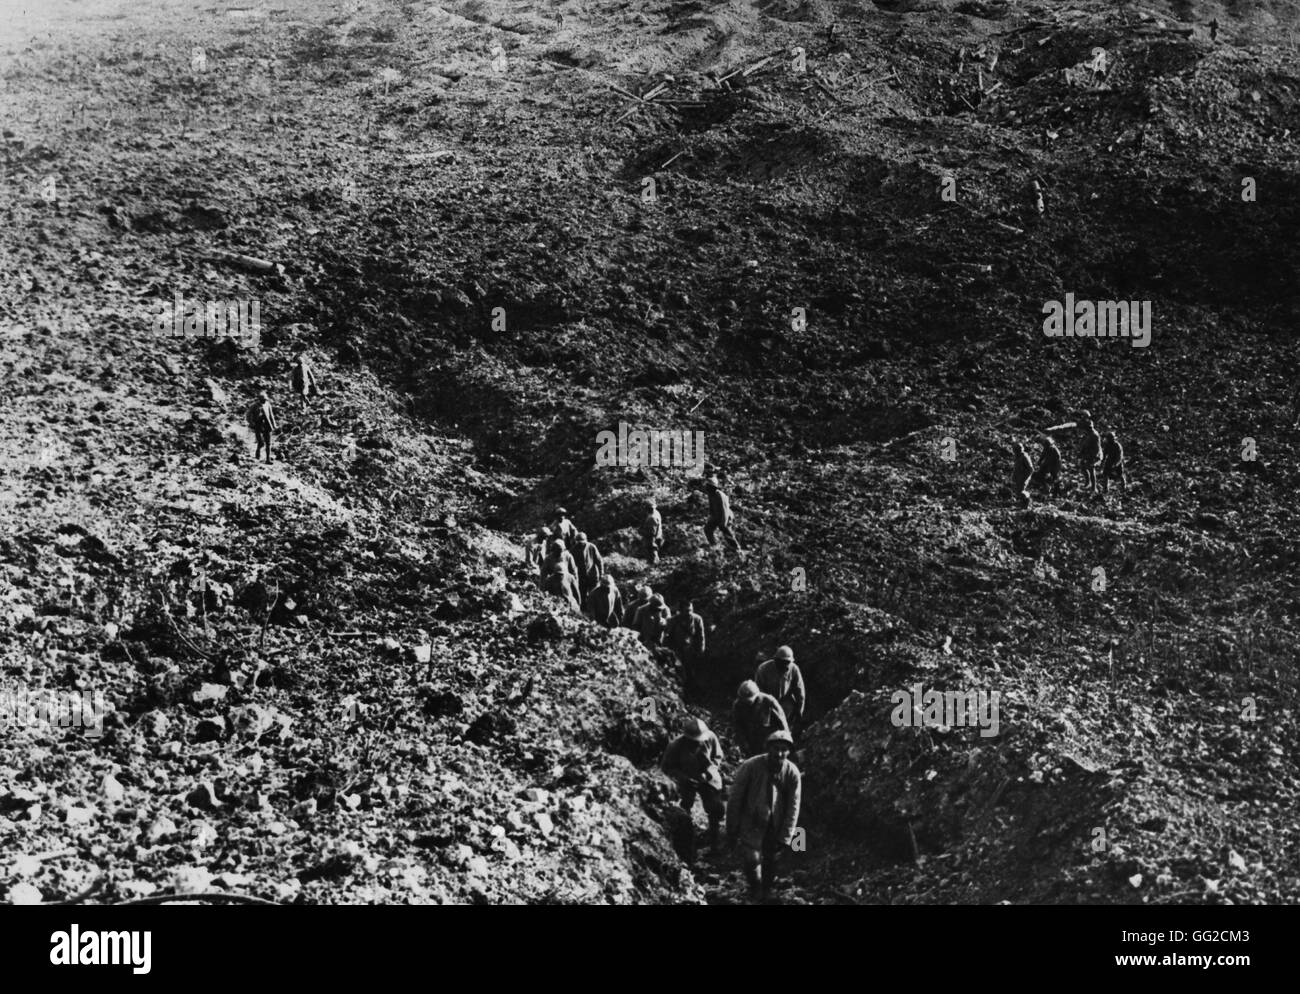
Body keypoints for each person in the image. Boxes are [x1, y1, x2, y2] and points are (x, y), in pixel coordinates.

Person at [726, 730, 801, 899]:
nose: (779, 753)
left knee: (771, 860)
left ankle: (766, 890)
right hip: (751, 820)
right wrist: (732, 827)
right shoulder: (750, 766)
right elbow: (735, 798)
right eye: (775, 748)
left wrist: (786, 835)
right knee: (751, 859)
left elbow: (793, 806)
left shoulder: (792, 772)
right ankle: (755, 888)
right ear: (768, 748)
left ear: (789, 752)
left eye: (784, 749)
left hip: (776, 822)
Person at [660, 717, 725, 852]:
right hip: (686, 780)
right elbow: (667, 767)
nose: (697, 744)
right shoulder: (675, 746)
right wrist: (683, 778)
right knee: (685, 810)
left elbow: (717, 757)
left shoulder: (711, 738)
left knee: (715, 809)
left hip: (708, 779)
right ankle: (687, 845)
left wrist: (708, 773)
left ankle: (715, 842)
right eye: (694, 742)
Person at [732, 680, 789, 757]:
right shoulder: (738, 705)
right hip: (751, 742)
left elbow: (782, 723)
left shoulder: (769, 701)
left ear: (756, 695)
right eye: (743, 700)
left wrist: (786, 742)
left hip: (769, 741)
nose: (746, 703)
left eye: (748, 700)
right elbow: (737, 726)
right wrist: (743, 744)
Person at [755, 646, 805, 733]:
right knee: (766, 728)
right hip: (766, 702)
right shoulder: (763, 669)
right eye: (783, 662)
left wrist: (799, 711)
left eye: (788, 662)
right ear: (776, 660)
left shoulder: (794, 669)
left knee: (784, 729)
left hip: (785, 702)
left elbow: (800, 691)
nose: (786, 665)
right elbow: (758, 691)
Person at [666, 599, 706, 681]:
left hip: (691, 650)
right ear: (681, 611)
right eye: (687, 610)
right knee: (679, 671)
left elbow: (701, 636)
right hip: (677, 650)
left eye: (691, 610)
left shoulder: (697, 619)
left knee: (691, 671)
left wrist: (701, 649)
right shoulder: (673, 620)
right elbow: (667, 636)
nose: (689, 612)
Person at [704, 476, 742, 553]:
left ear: (713, 487)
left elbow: (724, 510)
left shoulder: (720, 496)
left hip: (726, 517)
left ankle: (737, 549)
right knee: (707, 529)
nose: (706, 488)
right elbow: (711, 507)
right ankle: (714, 544)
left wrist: (723, 523)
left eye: (708, 486)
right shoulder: (711, 494)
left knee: (727, 532)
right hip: (716, 516)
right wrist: (711, 517)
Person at [246, 390, 277, 464]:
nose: (264, 401)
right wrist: (251, 423)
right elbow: (248, 415)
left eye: (265, 400)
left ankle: (268, 459)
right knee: (261, 442)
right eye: (263, 400)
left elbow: (271, 415)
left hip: (267, 425)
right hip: (258, 425)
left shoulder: (268, 405)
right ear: (259, 399)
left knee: (268, 443)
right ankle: (258, 452)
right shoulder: (254, 406)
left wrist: (274, 425)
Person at [573, 532, 604, 605]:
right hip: (581, 576)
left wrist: (601, 573)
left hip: (592, 575)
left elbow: (599, 561)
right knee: (582, 595)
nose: (581, 544)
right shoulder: (573, 550)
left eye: (582, 542)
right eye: (579, 543)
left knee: (594, 594)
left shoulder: (592, 547)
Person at [1078, 412, 1102, 494]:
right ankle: (1087, 483)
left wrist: (1093, 457)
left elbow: (1096, 448)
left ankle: (1093, 488)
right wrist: (1082, 452)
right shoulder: (1088, 434)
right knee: (1083, 467)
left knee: (1091, 470)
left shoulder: (1094, 435)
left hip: (1093, 455)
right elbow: (1084, 444)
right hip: (1087, 453)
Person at [1011, 442, 1034, 508]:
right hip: (1018, 476)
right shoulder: (1017, 457)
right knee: (1018, 492)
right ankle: (1023, 504)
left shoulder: (1024, 457)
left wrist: (1025, 478)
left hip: (1023, 477)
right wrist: (1013, 476)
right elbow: (1016, 467)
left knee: (1021, 491)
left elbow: (1031, 469)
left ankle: (1026, 502)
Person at [641, 498, 663, 564]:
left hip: (652, 540)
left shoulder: (652, 517)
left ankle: (653, 568)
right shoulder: (656, 512)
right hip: (658, 537)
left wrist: (642, 532)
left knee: (652, 555)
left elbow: (652, 533)